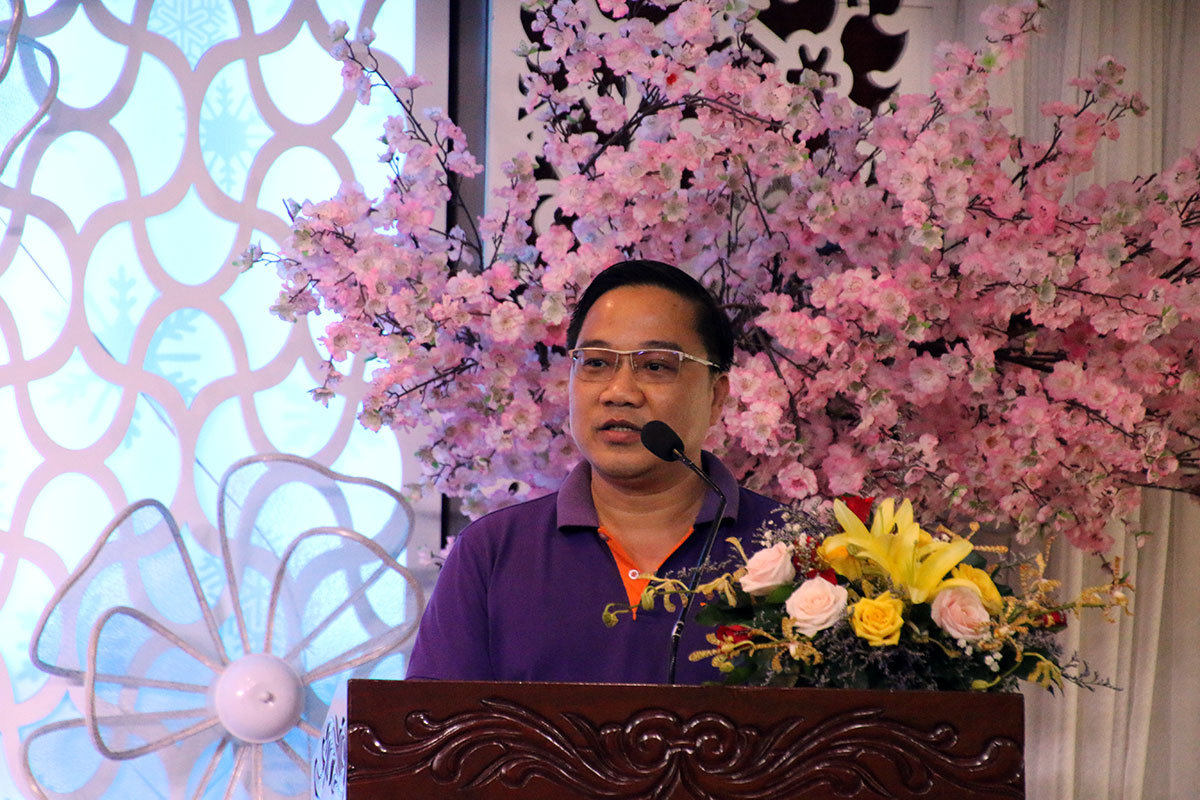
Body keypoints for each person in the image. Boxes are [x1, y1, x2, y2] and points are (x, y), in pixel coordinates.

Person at [405, 259, 782, 684]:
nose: (619, 392)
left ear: (716, 396)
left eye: (656, 365)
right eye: (597, 363)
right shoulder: (492, 553)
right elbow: (431, 721)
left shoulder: (795, 551)